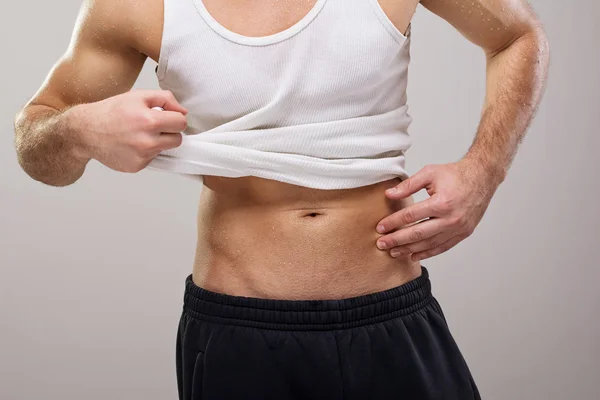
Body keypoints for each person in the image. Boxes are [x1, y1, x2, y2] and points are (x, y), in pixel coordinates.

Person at [13, 0, 549, 398]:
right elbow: (36, 144)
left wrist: (484, 172)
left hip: (388, 313)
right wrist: (81, 128)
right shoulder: (138, 5)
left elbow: (518, 36)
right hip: (238, 332)